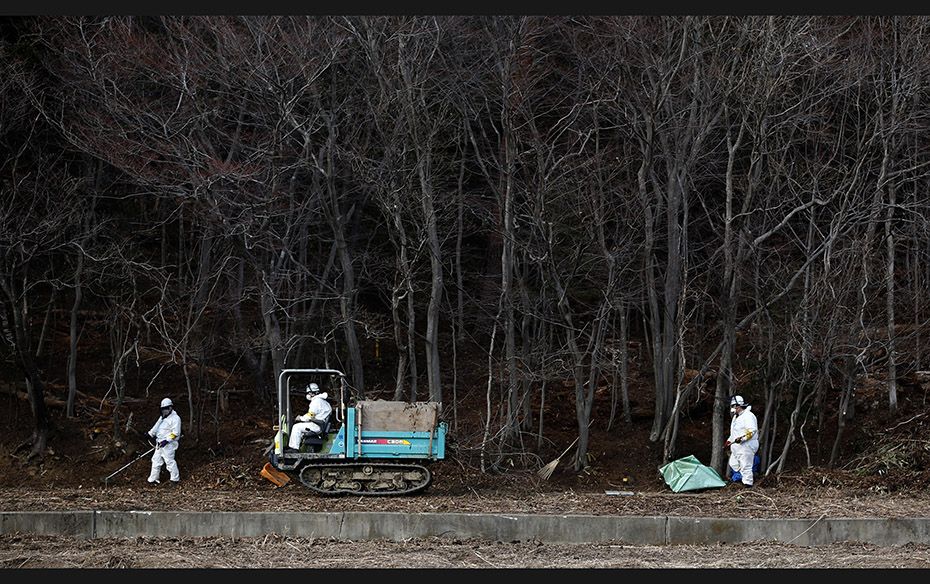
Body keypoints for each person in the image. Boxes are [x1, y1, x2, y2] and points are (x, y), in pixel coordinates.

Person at [724, 394, 759, 487]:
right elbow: (734, 433)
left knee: (746, 466)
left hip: (746, 446)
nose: (732, 408)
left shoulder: (748, 416)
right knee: (733, 463)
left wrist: (743, 439)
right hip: (737, 447)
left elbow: (752, 430)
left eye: (733, 406)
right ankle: (743, 479)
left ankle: (748, 485)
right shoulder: (736, 418)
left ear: (738, 406)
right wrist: (729, 441)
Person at [147, 397, 181, 485]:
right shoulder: (162, 417)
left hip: (169, 445)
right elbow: (156, 426)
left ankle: (175, 479)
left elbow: (176, 433)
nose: (164, 411)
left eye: (165, 409)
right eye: (162, 409)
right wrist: (150, 434)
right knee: (155, 461)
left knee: (169, 461)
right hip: (159, 444)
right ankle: (153, 479)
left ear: (170, 408)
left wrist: (167, 440)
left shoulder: (176, 418)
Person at [288, 383, 332, 450]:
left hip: (317, 425)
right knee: (302, 427)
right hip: (320, 424)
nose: (307, 395)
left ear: (312, 393)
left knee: (296, 427)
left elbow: (310, 416)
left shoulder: (316, 402)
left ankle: (294, 448)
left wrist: (300, 418)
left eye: (308, 393)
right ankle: (301, 447)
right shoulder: (324, 402)